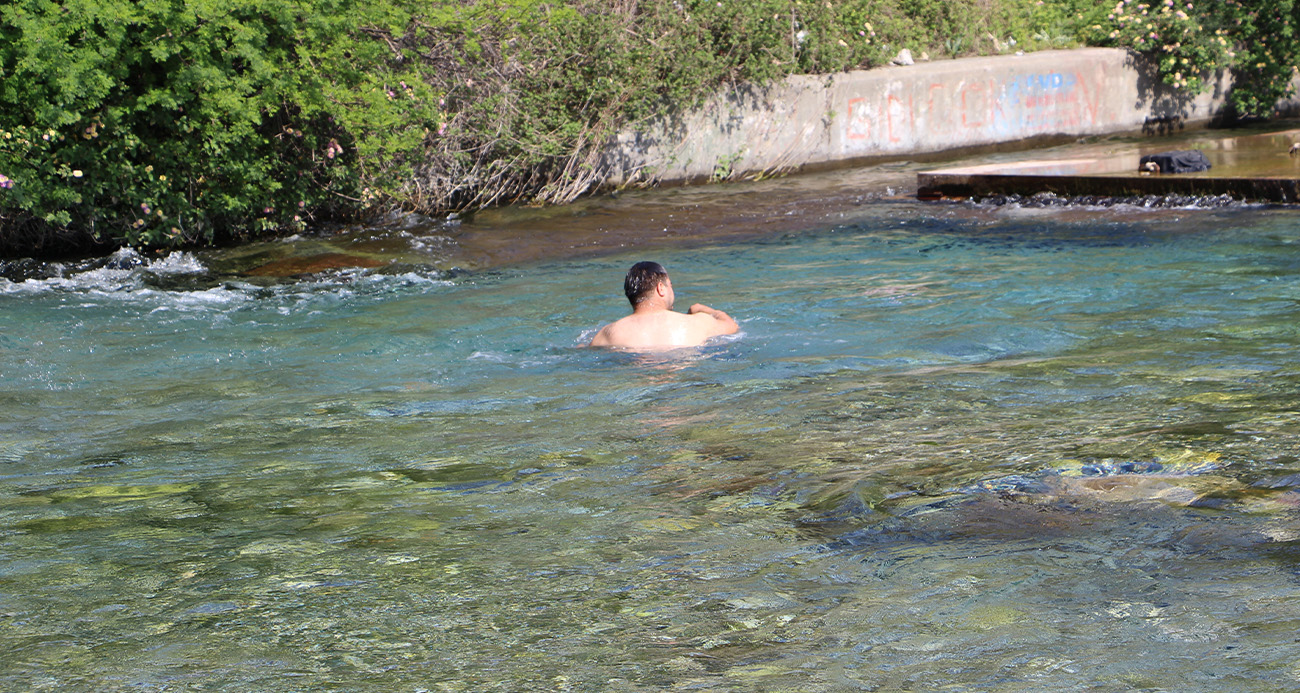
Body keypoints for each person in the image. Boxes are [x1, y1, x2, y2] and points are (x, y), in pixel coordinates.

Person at [589, 261, 739, 349]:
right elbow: (731, 326)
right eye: (670, 286)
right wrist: (703, 309)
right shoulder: (696, 322)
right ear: (661, 288)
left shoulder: (608, 333)